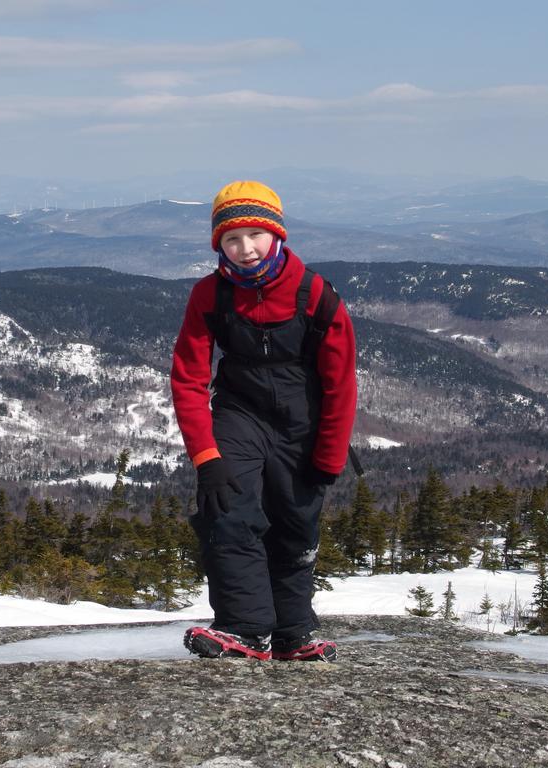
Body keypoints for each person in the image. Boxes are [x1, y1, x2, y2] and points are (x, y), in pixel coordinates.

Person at [170, 180, 357, 661]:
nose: (245, 249)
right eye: (231, 239)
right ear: (219, 245)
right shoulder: (209, 295)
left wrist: (330, 455)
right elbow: (188, 378)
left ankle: (295, 630)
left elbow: (340, 383)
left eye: (255, 234)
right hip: (239, 413)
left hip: (303, 419)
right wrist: (206, 456)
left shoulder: (316, 294)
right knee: (228, 510)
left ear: (277, 235)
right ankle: (244, 627)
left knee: (295, 522)